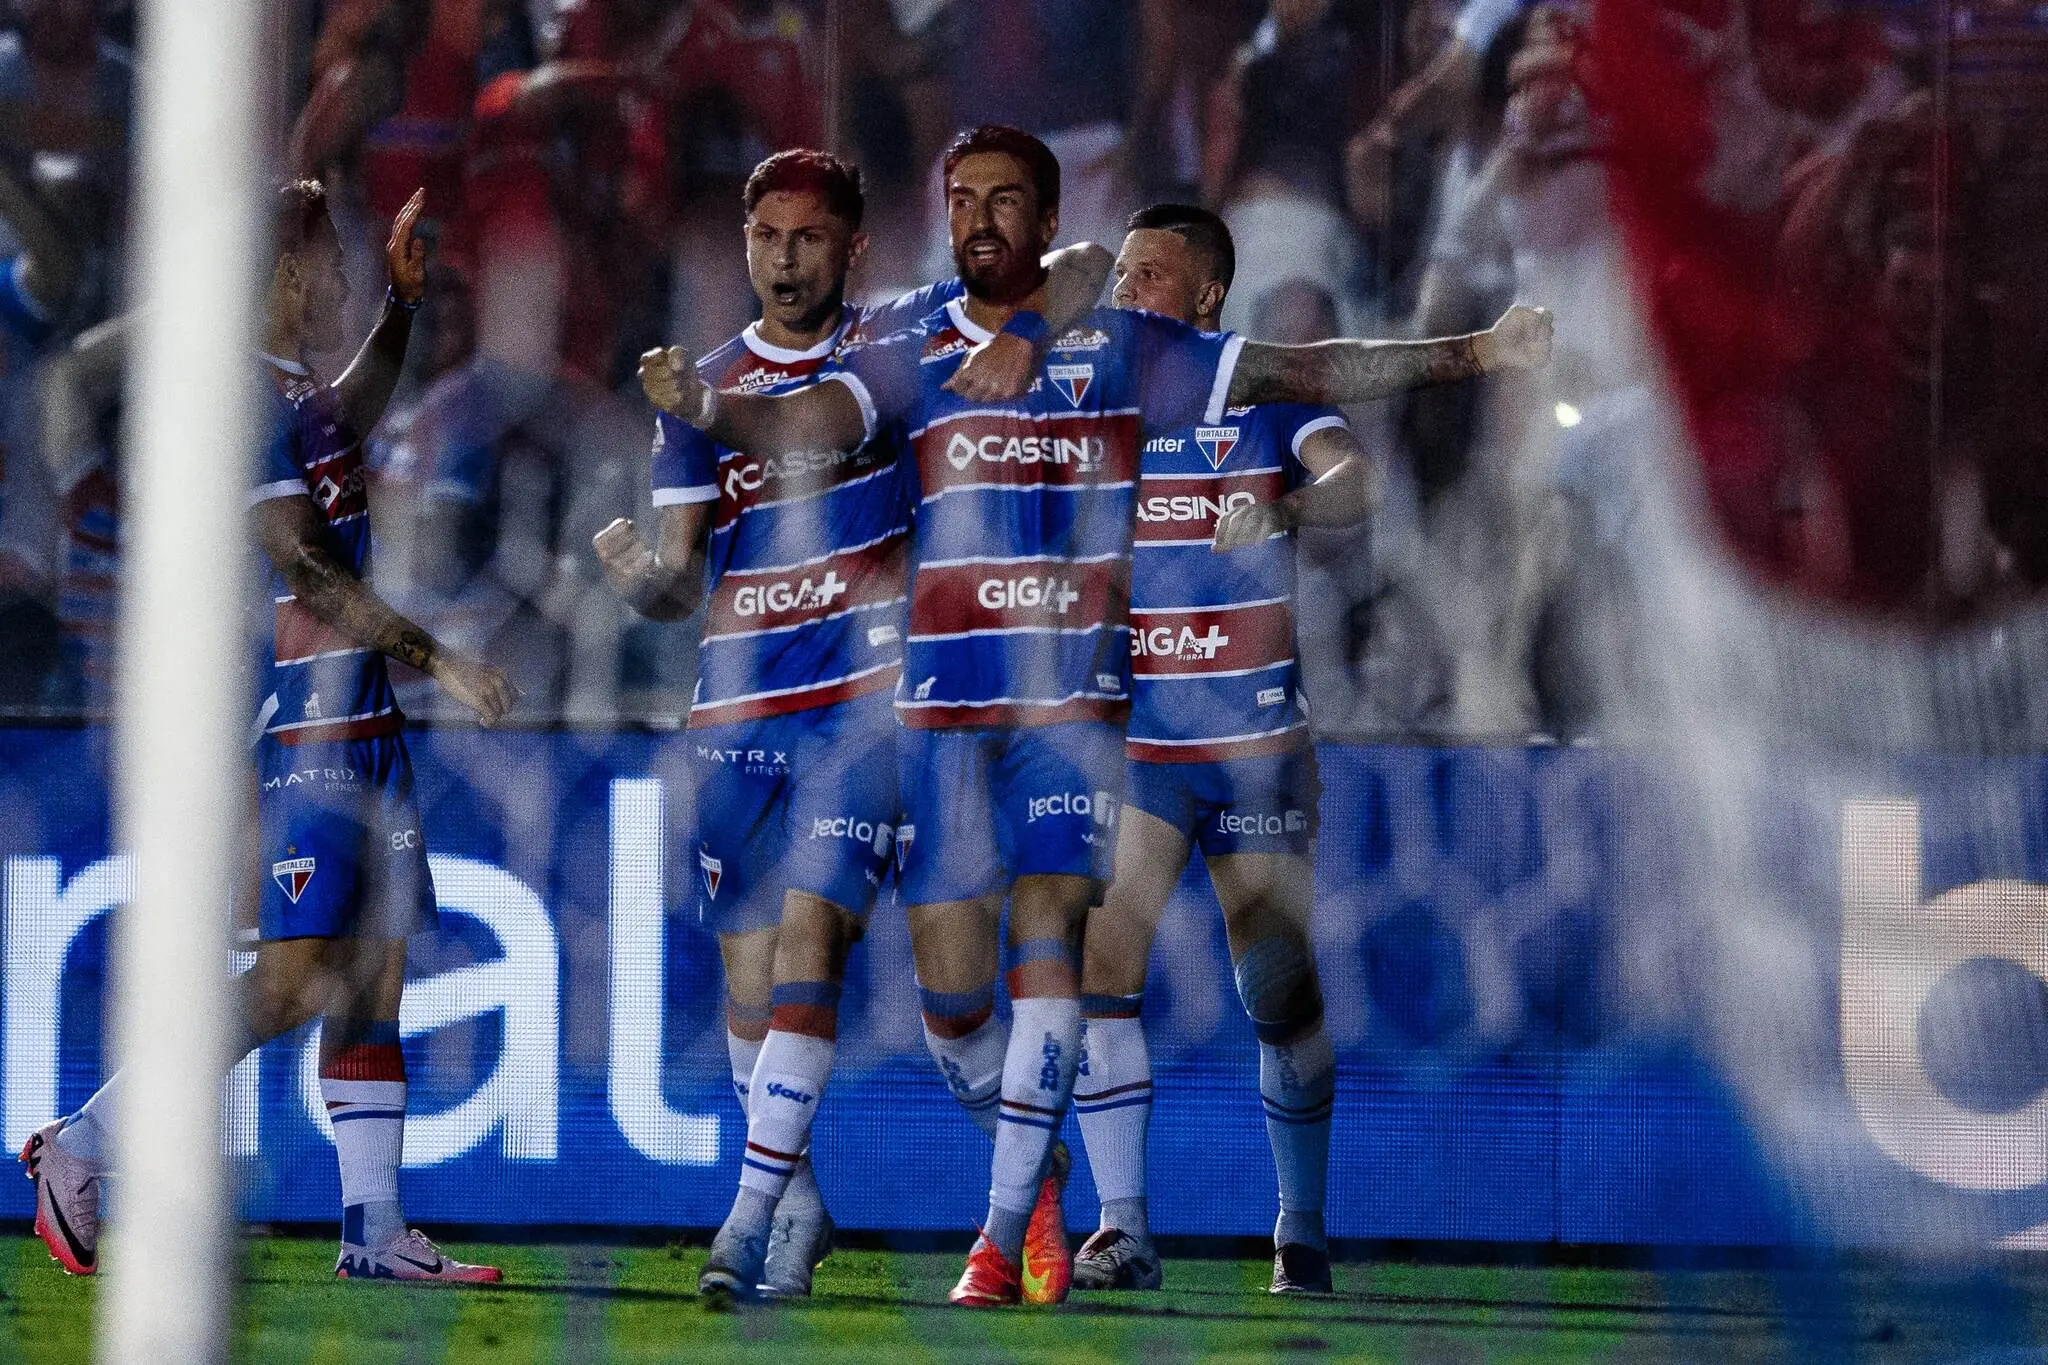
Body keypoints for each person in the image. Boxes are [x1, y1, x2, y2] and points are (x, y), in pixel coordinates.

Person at [641, 123, 1552, 1309]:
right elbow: (815, 427)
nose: (981, 222)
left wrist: (1473, 352)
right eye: (961, 200)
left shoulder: (1146, 361)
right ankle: (1058, 1190)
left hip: (1123, 728)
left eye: (1007, 203)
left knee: (1111, 969)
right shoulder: (920, 343)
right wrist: (712, 410)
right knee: (957, 1009)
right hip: (967, 725)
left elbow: (1320, 377)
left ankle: (985, 1233)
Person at [597, 146, 1112, 1304]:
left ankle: (752, 1227)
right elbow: (684, 578)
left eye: (808, 238)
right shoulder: (701, 386)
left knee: (829, 957)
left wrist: (1024, 331)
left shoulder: (905, 337)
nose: (785, 260)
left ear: (853, 248)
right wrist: (639, 579)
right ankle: (804, 1210)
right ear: (743, 248)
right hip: (734, 707)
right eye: (766, 239)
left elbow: (1080, 265)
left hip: (868, 703)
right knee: (768, 992)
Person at [19, 181, 520, 1283]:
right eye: (334, 264)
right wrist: (435, 655)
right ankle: (79, 1148)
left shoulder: (294, 389)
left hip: (362, 718)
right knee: (294, 981)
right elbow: (300, 561)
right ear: (286, 274)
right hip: (305, 718)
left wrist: (396, 306)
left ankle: (374, 1230)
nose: (339, 279)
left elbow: (358, 409)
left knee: (373, 972)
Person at [1070, 204, 1373, 1297]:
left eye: (1148, 277)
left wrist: (1286, 503)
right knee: (1102, 965)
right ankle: (1123, 1229)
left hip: (1253, 750)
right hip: (1139, 749)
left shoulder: (1263, 396)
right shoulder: (1092, 415)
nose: (1124, 296)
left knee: (1276, 993)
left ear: (1204, 297)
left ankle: (1298, 1224)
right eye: (1117, 279)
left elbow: (1355, 478)